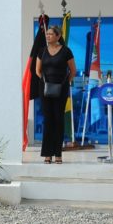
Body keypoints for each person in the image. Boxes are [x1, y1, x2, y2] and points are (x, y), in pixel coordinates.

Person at [35, 26, 76, 164]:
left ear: (58, 36)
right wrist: (46, 83)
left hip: (61, 90)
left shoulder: (66, 51)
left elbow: (73, 71)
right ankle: (47, 154)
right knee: (48, 120)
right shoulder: (42, 51)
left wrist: (64, 84)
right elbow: (38, 71)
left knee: (58, 120)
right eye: (47, 34)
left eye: (51, 34)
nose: (48, 36)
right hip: (45, 89)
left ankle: (58, 154)